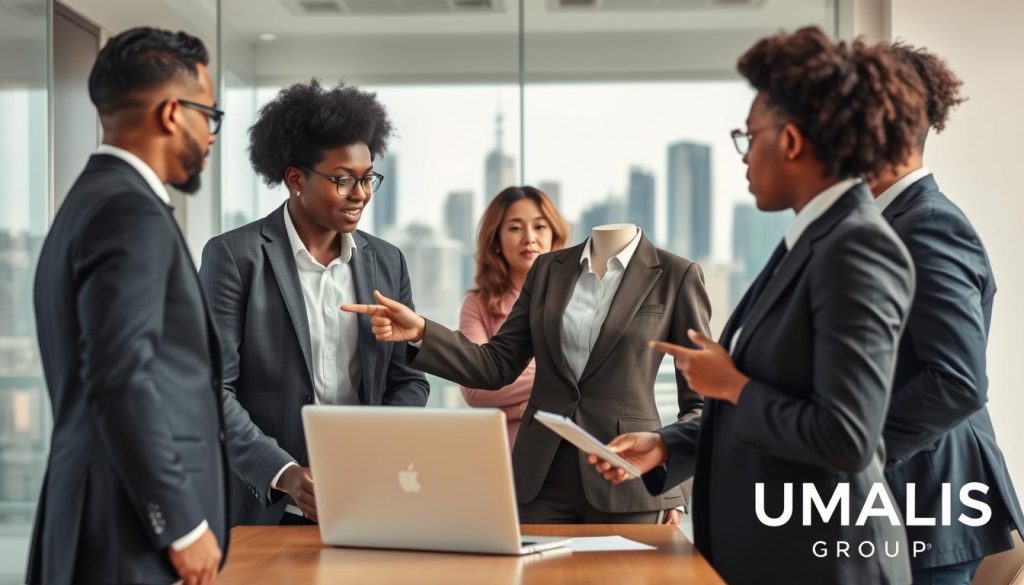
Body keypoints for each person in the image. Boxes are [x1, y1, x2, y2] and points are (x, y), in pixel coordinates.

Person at [588, 27, 923, 584]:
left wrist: (731, 384)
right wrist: (667, 444)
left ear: (790, 141)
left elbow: (846, 436)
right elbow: (783, 399)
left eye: (748, 137)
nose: (744, 158)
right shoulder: (808, 242)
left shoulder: (857, 247)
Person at [345, 215, 711, 524]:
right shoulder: (549, 270)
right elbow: (496, 364)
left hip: (629, 480)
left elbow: (702, 402)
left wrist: (676, 489)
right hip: (539, 481)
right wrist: (423, 331)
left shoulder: (676, 275)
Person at [28, 27, 228, 585]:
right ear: (172, 113)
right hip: (129, 531)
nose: (210, 137)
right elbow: (119, 378)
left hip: (101, 515)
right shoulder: (129, 211)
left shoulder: (86, 201)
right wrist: (182, 525)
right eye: (209, 116)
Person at [198, 79, 429, 526]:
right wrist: (285, 474)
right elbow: (212, 390)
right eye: (343, 180)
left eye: (367, 178)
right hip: (266, 506)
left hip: (366, 496)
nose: (360, 193)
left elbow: (409, 381)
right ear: (296, 179)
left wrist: (375, 445)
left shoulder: (387, 261)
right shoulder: (234, 257)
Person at [870, 42, 1024, 585]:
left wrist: (846, 449)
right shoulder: (882, 225)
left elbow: (957, 382)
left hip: (930, 500)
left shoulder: (930, 225)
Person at [459, 186, 570, 445]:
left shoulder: (576, 297)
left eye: (540, 227)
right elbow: (475, 387)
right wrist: (559, 383)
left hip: (568, 448)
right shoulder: (477, 304)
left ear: (554, 235)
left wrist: (514, 405)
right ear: (496, 240)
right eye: (515, 228)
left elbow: (592, 380)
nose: (529, 238)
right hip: (508, 450)